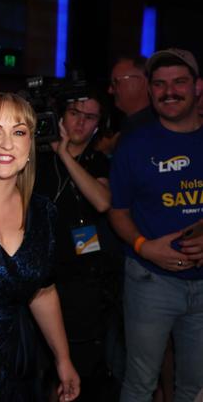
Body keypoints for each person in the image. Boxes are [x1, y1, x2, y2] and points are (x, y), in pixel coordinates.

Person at [0, 92, 80, 402]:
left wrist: (63, 359)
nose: (7, 143)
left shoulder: (43, 213)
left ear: (29, 147)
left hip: (19, 365)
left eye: (19, 132)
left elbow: (43, 291)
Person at [109, 47, 203, 402]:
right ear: (150, 91)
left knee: (194, 387)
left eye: (179, 82)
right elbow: (118, 211)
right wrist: (143, 247)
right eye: (160, 85)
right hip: (150, 283)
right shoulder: (134, 145)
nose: (169, 91)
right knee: (140, 383)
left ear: (198, 87)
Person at [35, 91, 124, 400]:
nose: (80, 122)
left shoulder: (97, 161)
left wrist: (65, 155)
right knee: (39, 366)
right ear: (61, 115)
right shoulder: (38, 155)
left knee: (78, 365)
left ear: (99, 124)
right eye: (75, 113)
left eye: (90, 117)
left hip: (81, 278)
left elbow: (102, 201)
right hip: (41, 273)